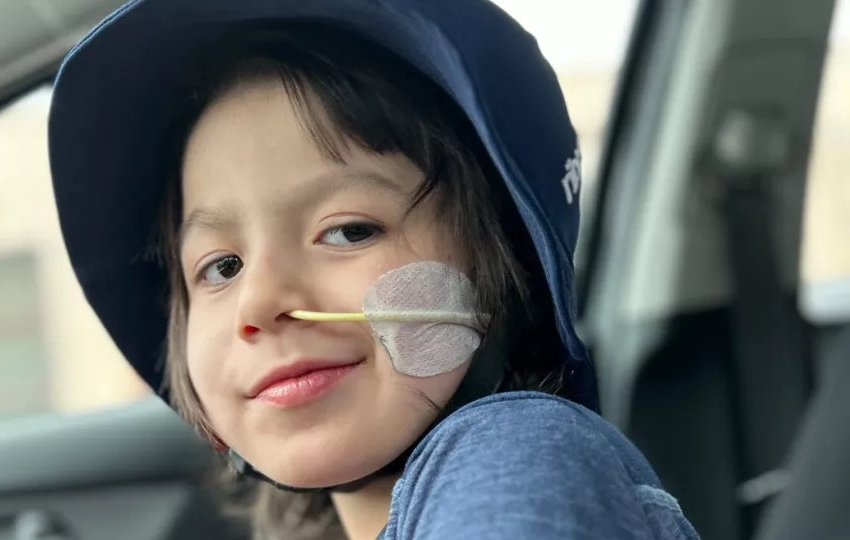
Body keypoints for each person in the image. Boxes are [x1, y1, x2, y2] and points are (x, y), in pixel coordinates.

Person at [48, 1, 700, 539]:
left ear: (507, 268)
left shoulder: (516, 451)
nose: (259, 303)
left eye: (349, 230)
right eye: (221, 267)